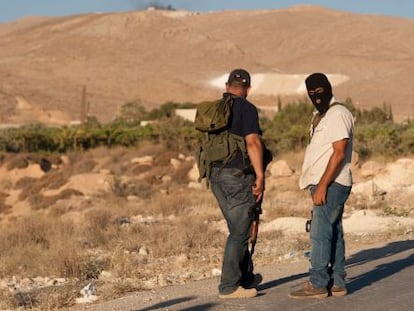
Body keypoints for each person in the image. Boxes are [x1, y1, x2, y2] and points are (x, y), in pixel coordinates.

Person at [289, 73, 354, 299]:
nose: (316, 96)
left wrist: (323, 185)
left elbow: (339, 153)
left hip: (332, 183)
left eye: (319, 91)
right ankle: (338, 282)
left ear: (327, 88)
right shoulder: (320, 115)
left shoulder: (338, 114)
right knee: (333, 231)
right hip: (324, 182)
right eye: (311, 93)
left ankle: (317, 283)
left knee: (319, 234)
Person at [210, 68, 264, 299]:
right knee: (241, 230)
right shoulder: (246, 108)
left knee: (237, 227)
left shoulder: (214, 110)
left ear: (226, 85)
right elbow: (252, 142)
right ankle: (229, 286)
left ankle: (246, 276)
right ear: (248, 89)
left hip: (215, 175)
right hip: (236, 176)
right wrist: (260, 175)